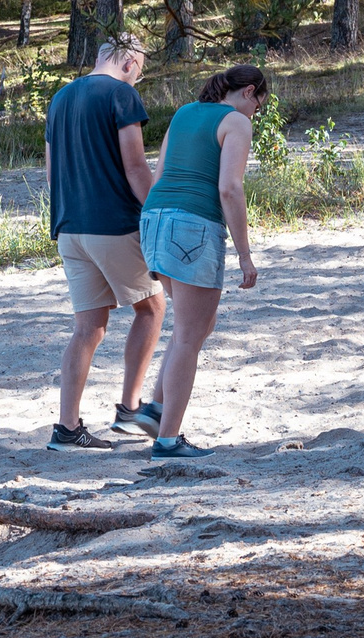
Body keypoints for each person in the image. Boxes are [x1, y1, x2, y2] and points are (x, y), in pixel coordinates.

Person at [43, 32, 167, 450]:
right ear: (130, 62)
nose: (137, 82)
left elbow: (50, 169)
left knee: (88, 328)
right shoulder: (120, 95)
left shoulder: (60, 98)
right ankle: (131, 409)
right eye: (140, 73)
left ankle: (67, 428)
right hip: (112, 223)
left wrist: (62, 214)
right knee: (152, 306)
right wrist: (156, 213)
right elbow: (135, 167)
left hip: (69, 226)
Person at [137, 62, 266, 459]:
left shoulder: (184, 113)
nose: (255, 114)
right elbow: (229, 188)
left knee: (195, 326)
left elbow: (159, 175)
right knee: (191, 336)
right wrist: (245, 254)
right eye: (259, 105)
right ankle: (168, 441)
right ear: (249, 92)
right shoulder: (236, 122)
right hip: (192, 224)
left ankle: (157, 409)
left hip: (154, 219)